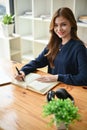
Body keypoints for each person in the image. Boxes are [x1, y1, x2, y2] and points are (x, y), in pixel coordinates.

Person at [15, 7, 87, 86]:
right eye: (56, 25)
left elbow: (84, 78)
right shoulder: (54, 44)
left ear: (72, 24)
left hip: (69, 89)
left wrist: (57, 77)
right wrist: (23, 71)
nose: (59, 29)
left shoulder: (79, 48)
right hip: (51, 87)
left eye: (63, 24)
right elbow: (38, 62)